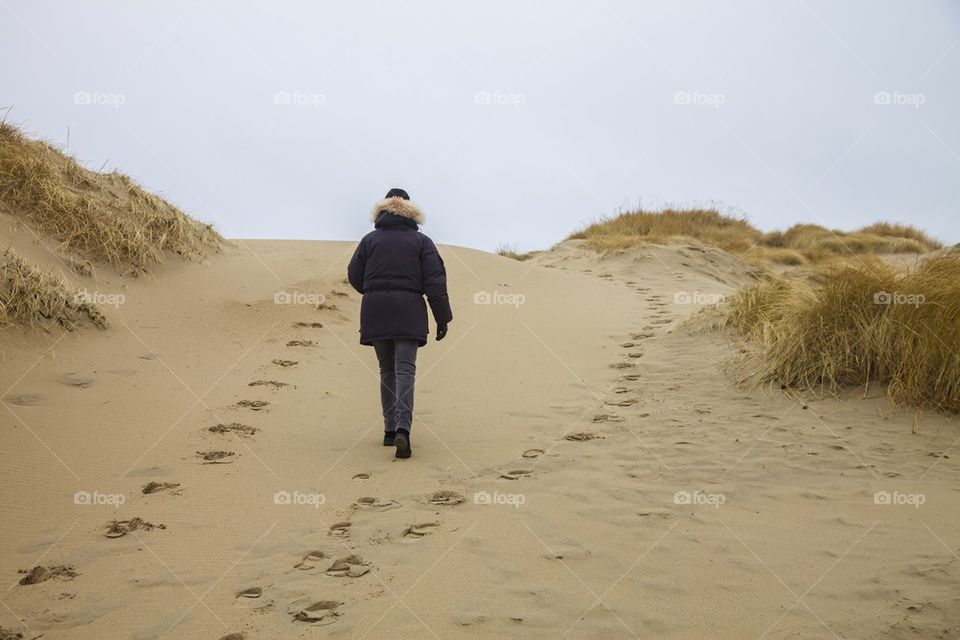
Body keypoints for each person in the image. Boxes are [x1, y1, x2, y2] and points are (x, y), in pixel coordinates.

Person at [347, 188, 453, 459]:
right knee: (405, 370)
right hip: (409, 310)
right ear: (410, 209)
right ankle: (404, 430)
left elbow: (354, 275)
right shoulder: (422, 242)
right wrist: (442, 317)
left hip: (375, 310)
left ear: (383, 209)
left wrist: (375, 292)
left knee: (386, 371)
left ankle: (390, 430)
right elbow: (435, 282)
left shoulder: (369, 240)